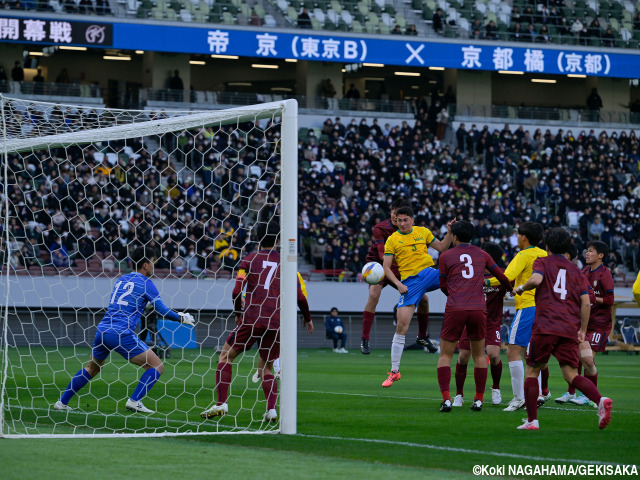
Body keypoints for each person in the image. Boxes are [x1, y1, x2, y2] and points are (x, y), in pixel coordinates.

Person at [53, 246, 195, 413]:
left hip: (103, 330)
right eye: (152, 261)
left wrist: (143, 306)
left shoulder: (121, 280)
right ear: (145, 265)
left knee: (92, 368)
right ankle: (135, 401)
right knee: (157, 366)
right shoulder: (147, 283)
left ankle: (61, 402)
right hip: (121, 332)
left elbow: (125, 303)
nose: (153, 265)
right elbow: (162, 310)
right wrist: (181, 317)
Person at [201, 223, 313, 422]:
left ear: (258, 238)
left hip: (252, 317)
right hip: (276, 322)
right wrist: (308, 317)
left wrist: (238, 312)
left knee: (226, 356)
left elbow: (237, 291)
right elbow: (300, 298)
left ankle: (221, 404)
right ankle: (271, 410)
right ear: (278, 240)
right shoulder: (287, 264)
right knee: (267, 368)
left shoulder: (248, 260)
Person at [514, 228, 612, 430]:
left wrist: (521, 288)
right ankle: (600, 400)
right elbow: (586, 303)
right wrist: (582, 330)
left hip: (545, 325)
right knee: (571, 374)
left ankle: (532, 421)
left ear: (546, 246)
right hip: (569, 328)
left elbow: (537, 280)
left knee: (532, 371)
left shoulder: (542, 262)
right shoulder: (577, 270)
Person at [437, 222, 513, 412]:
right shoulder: (482, 254)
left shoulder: (445, 255)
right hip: (478, 309)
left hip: (456, 307)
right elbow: (502, 276)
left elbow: (443, 285)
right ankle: (478, 399)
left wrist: (454, 295)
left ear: (454, 237)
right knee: (479, 355)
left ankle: (447, 399)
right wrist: (511, 289)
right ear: (472, 236)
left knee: (446, 355)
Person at [381, 206, 455, 387]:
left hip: (429, 273)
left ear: (412, 220)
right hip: (410, 282)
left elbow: (442, 247)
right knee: (401, 325)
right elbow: (386, 268)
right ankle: (394, 372)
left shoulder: (423, 232)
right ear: (396, 221)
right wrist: (398, 284)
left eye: (406, 220)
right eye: (399, 220)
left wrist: (449, 232)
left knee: (457, 279)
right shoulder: (392, 240)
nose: (403, 223)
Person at [360, 198, 436, 355]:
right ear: (391, 212)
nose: (398, 219)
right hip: (381, 267)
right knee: (374, 294)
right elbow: (382, 255)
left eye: (401, 216)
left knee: (424, 300)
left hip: (401, 268)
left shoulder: (413, 229)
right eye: (395, 214)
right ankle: (365, 338)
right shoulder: (380, 229)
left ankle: (422, 336)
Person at [486, 222, 546, 412]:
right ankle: (536, 395)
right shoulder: (545, 255)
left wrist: (484, 280)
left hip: (527, 307)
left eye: (518, 234)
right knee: (531, 354)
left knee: (512, 351)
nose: (517, 237)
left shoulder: (523, 255)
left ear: (524, 237)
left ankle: (520, 397)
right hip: (545, 308)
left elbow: (506, 276)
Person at [556, 241, 614, 405]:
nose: (586, 254)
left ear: (600, 255)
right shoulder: (584, 271)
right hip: (583, 323)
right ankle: (572, 392)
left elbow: (610, 300)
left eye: (590, 251)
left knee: (587, 360)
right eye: (586, 251)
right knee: (577, 357)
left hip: (600, 324)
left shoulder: (605, 274)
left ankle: (590, 396)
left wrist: (592, 298)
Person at [453, 242, 510, 407]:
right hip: (469, 320)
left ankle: (496, 388)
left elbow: (514, 280)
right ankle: (459, 394)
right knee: (463, 357)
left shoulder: (502, 275)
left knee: (493, 355)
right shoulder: (471, 274)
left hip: (492, 323)